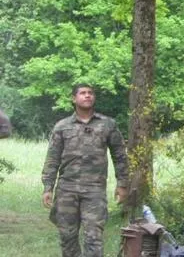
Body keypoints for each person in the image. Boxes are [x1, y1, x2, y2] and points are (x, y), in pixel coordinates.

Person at [41, 83, 129, 257]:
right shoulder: (62, 126)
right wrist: (48, 187)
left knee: (94, 237)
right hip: (67, 189)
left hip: (94, 190)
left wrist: (122, 184)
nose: (87, 95)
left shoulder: (107, 124)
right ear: (74, 99)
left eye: (90, 93)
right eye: (82, 93)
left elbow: (120, 156)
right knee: (67, 236)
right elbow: (52, 159)